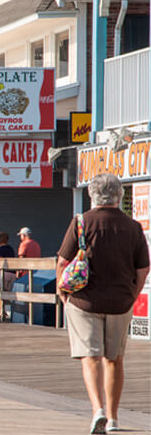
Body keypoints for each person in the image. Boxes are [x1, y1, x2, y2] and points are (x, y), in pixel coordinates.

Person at [57, 174, 149, 434]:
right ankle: (113, 419)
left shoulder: (81, 222)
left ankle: (97, 409)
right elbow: (143, 268)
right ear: (119, 196)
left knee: (91, 357)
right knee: (114, 359)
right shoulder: (132, 227)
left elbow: (63, 262)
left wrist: (62, 291)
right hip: (120, 301)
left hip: (84, 300)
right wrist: (133, 294)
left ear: (92, 196)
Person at [0, 231, 16, 319]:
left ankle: (2, 311)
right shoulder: (10, 249)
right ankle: (12, 310)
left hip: (2, 273)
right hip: (12, 273)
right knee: (9, 293)